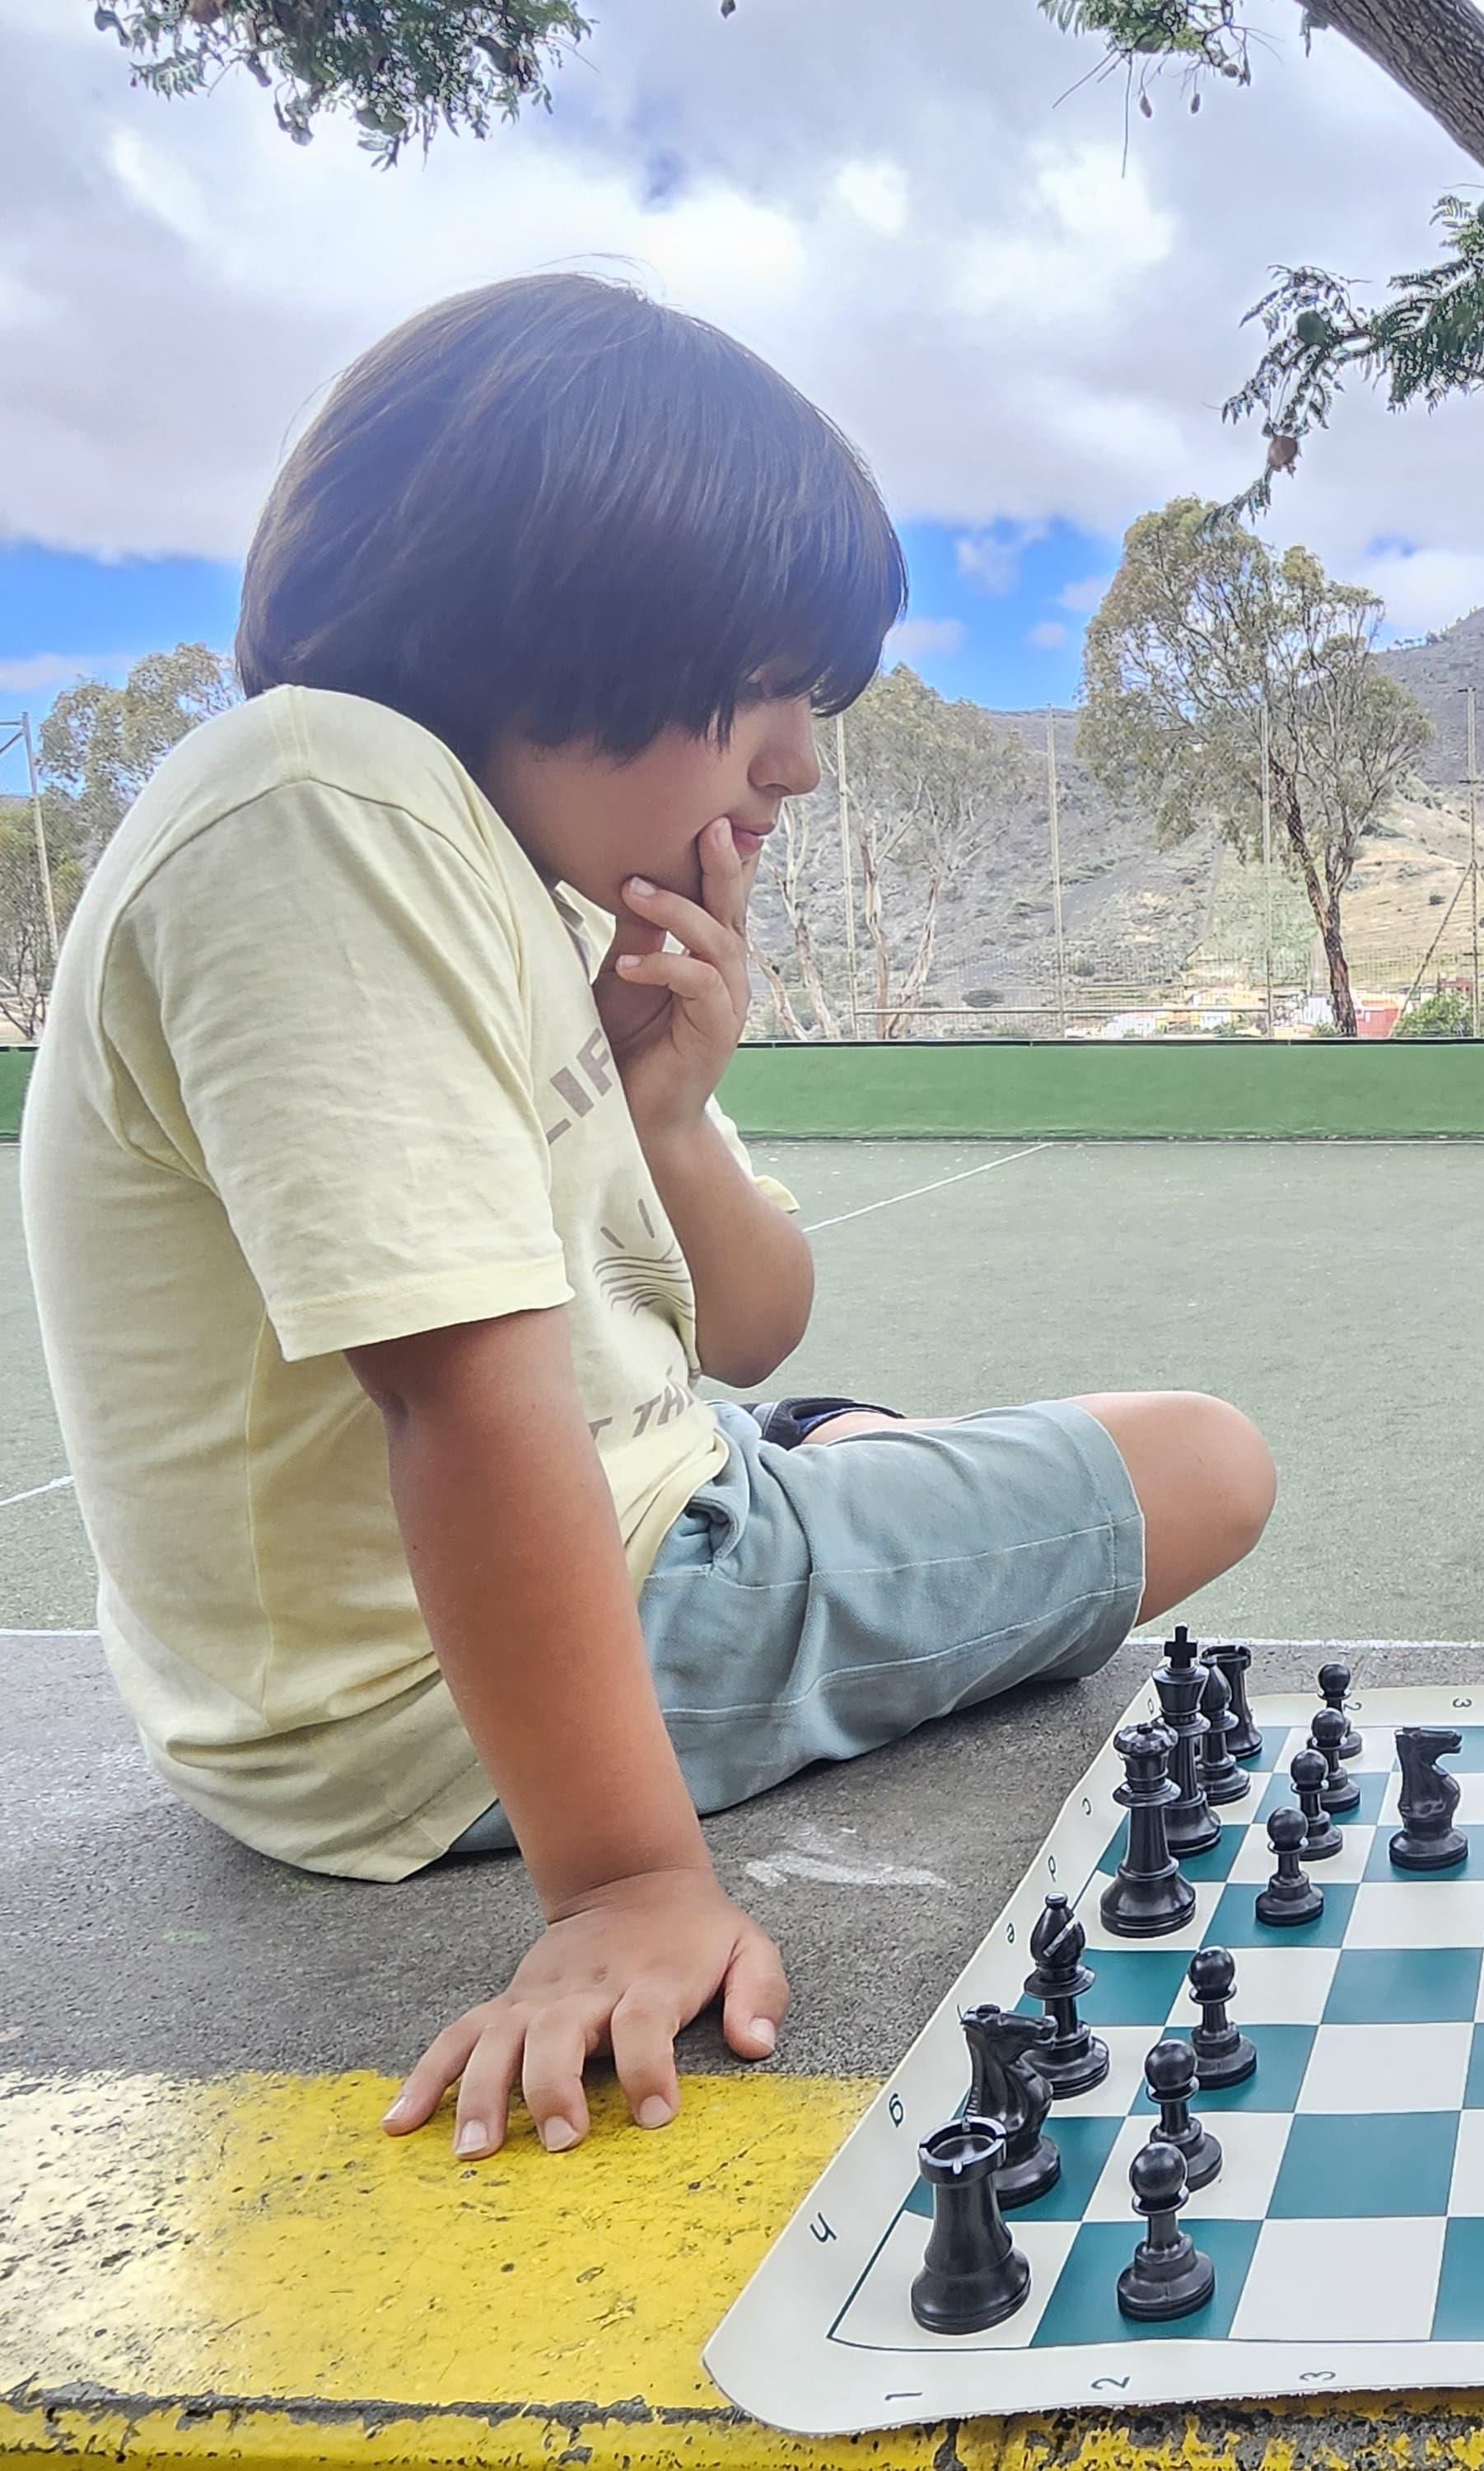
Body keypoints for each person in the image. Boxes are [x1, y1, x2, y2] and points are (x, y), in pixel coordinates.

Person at [21, 274, 1276, 2167]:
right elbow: (457, 1394)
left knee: (835, 1420)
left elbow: (752, 1326)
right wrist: (621, 1884)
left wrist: (666, 1107)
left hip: (644, 1490)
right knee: (1204, 1460)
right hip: (450, 1691)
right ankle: (832, 1504)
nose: (799, 763)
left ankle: (839, 1474)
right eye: (764, 686)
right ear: (554, 618)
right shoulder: (327, 805)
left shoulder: (533, 889)